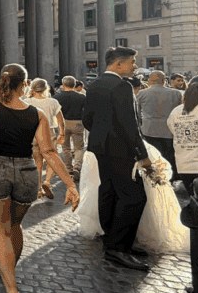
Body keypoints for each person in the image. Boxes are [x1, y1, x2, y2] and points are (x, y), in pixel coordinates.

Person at [0, 64, 78, 293]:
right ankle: (9, 272)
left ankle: (11, 291)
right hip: (27, 172)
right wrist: (70, 185)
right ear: (24, 85)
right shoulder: (37, 114)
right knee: (15, 227)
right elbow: (49, 152)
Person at [82, 47, 153, 272]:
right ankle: (118, 248)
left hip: (100, 148)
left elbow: (87, 120)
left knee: (109, 192)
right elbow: (129, 124)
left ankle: (111, 238)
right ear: (119, 65)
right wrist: (143, 155)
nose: (134, 66)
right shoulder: (122, 86)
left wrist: (102, 136)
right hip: (121, 149)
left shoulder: (94, 84)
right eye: (132, 62)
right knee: (134, 198)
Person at [137, 71, 183, 182]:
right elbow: (180, 112)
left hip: (149, 129)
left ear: (149, 81)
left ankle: (153, 177)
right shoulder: (176, 93)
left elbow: (137, 114)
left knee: (153, 155)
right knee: (169, 155)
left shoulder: (142, 94)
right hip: (169, 130)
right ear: (164, 80)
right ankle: (169, 178)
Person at [24, 78, 64, 199]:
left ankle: (38, 188)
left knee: (37, 161)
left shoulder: (27, 101)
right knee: (52, 158)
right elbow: (60, 119)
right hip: (48, 132)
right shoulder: (53, 102)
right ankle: (47, 182)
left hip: (32, 133)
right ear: (46, 89)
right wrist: (62, 133)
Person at [55, 76, 86, 181]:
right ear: (74, 85)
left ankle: (68, 168)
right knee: (79, 147)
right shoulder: (82, 97)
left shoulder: (57, 97)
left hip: (63, 123)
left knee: (65, 148)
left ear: (63, 85)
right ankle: (77, 167)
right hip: (77, 122)